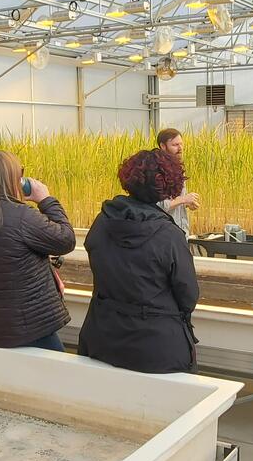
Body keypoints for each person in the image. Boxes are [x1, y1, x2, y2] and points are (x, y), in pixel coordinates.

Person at [79, 149, 200, 373]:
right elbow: (188, 296)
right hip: (157, 349)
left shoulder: (103, 222)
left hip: (101, 338)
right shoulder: (169, 235)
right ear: (170, 185)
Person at [0, 150, 77, 350]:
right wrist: (46, 200)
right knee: (62, 378)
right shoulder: (22, 216)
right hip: (29, 327)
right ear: (13, 178)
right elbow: (66, 240)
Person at [155, 128, 200, 237]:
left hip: (181, 232)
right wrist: (183, 199)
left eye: (181, 144)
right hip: (164, 235)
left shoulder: (178, 169)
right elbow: (159, 206)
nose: (180, 148)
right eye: (175, 145)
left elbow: (176, 201)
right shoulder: (156, 171)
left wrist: (187, 203)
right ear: (163, 146)